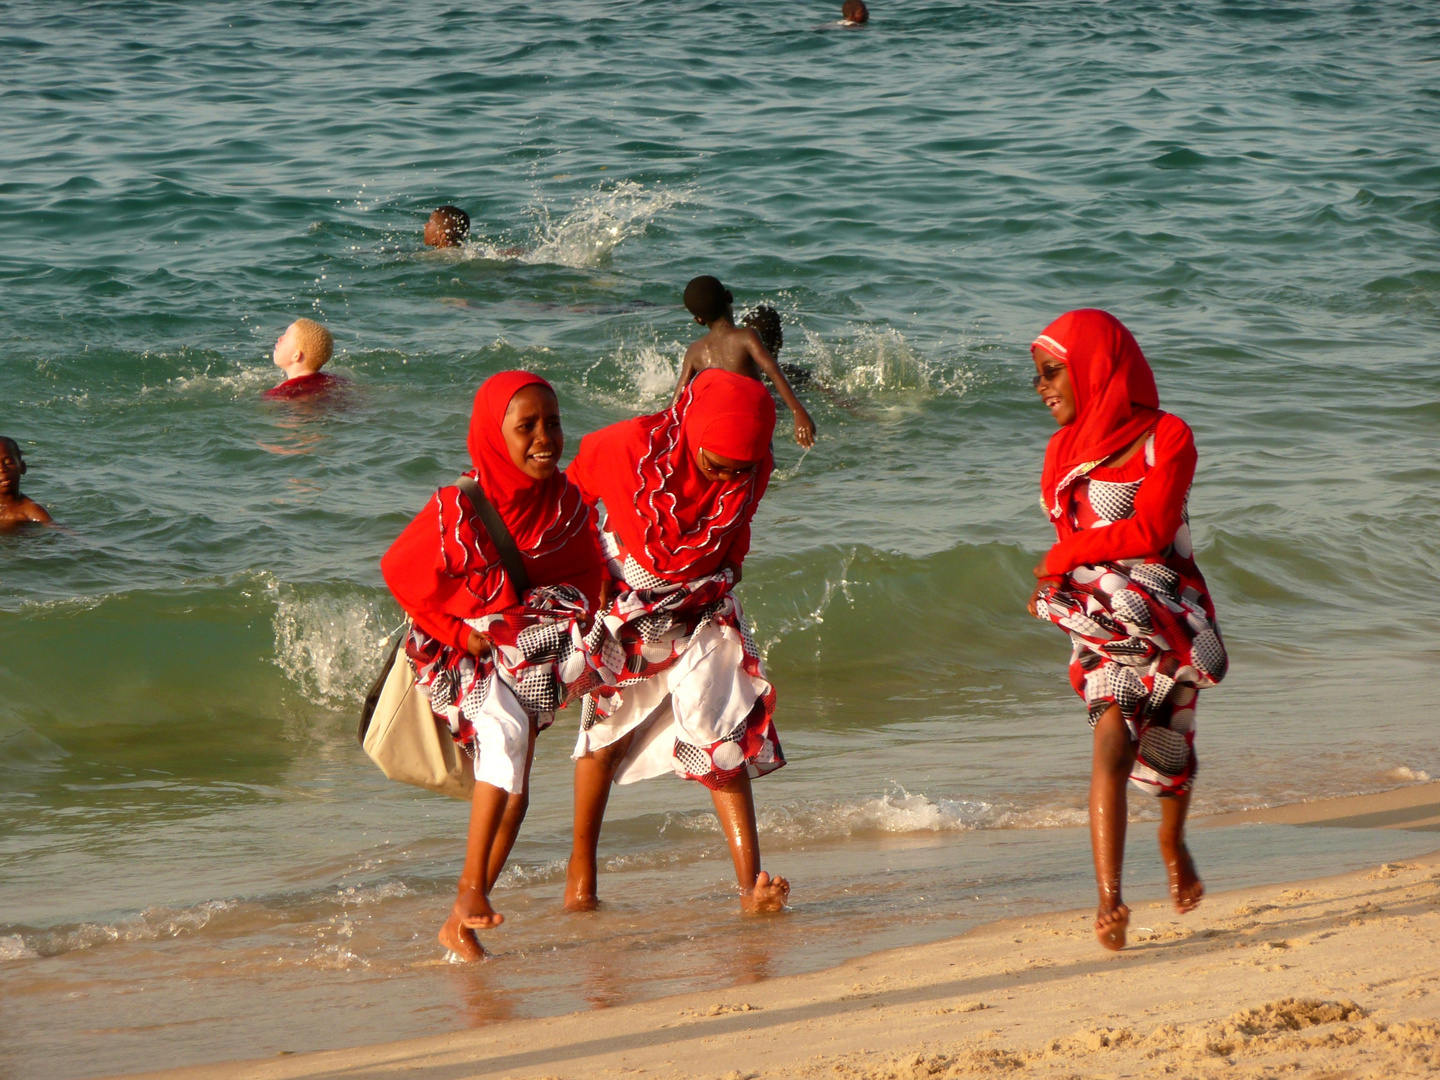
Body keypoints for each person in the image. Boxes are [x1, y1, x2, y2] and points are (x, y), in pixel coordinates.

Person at [381, 371, 607, 961]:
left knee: (519, 794)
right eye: (525, 426)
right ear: (492, 433)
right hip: (455, 652)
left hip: (523, 655)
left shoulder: (567, 504)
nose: (544, 439)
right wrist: (460, 631)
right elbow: (401, 575)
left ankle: (460, 926)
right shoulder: (457, 506)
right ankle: (468, 888)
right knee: (504, 738)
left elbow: (589, 576)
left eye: (553, 424)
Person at [1027, 309, 1227, 952]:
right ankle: (1109, 901)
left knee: (1171, 737)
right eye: (1036, 377)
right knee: (1110, 736)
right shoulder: (1060, 450)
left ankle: (1173, 845)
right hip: (1106, 617)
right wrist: (1069, 585)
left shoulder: (1167, 437)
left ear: (1094, 367)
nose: (1042, 387)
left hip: (1168, 611)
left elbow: (1152, 529)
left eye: (1052, 371)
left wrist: (1062, 559)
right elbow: (1073, 542)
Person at [563, 369, 790, 914]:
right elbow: (567, 504)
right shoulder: (621, 448)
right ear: (691, 427)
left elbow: (739, 526)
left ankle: (750, 886)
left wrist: (729, 566)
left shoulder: (752, 469)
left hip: (704, 607)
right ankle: (581, 882)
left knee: (723, 735)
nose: (723, 481)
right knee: (605, 738)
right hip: (626, 610)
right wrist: (586, 572)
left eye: (739, 472)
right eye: (716, 466)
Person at [674, 276, 817, 448]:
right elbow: (774, 371)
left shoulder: (694, 351)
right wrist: (798, 411)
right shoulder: (747, 337)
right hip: (749, 431)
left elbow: (677, 401)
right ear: (729, 296)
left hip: (714, 435)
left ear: (698, 320)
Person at [263, 318, 343, 400]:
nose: (279, 338)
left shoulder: (279, 394)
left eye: (285, 337)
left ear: (296, 356)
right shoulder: (335, 381)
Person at [0, 437, 52, 527]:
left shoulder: (30, 511)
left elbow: (60, 532)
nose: (2, 469)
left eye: (9, 462)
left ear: (22, 467)